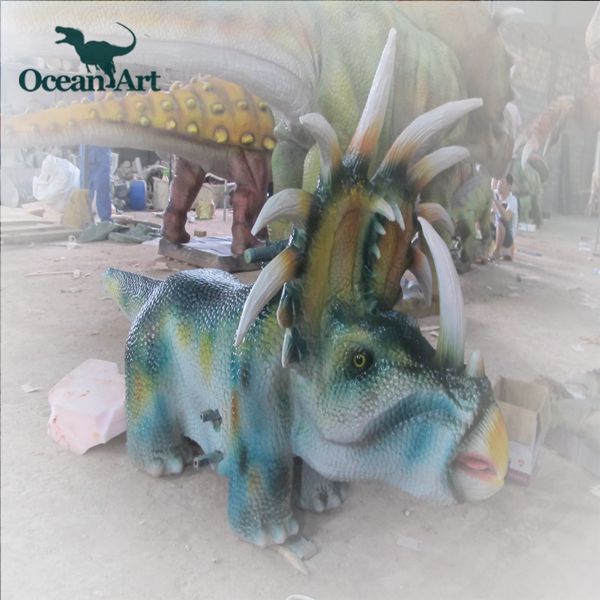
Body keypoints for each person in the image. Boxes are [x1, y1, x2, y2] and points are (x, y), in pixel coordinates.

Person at [490, 173, 518, 260]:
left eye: (502, 182)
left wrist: (496, 202)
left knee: (500, 221)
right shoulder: (494, 194)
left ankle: (497, 252)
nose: (499, 184)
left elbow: (506, 217)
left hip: (507, 237)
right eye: (498, 181)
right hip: (495, 231)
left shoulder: (513, 200)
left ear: (509, 186)